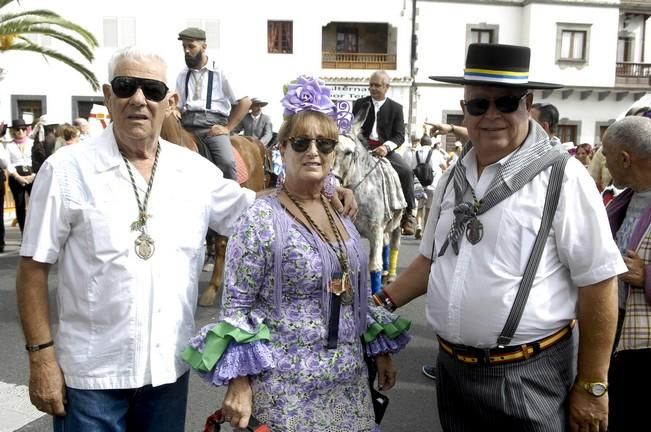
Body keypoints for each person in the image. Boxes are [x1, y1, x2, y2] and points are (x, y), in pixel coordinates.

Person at [16, 47, 357, 431]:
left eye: (153, 90)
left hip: (168, 375)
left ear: (171, 101)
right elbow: (32, 269)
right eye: (127, 87)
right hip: (92, 379)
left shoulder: (195, 171)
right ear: (108, 96)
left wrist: (324, 189)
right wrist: (41, 359)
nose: (139, 100)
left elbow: (260, 209)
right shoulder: (65, 170)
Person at [376, 43, 626, 431]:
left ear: (527, 104)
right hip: (453, 374)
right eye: (479, 105)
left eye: (505, 103)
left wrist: (593, 384)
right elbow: (430, 260)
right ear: (465, 108)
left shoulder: (563, 176)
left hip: (527, 376)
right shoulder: (451, 178)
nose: (491, 115)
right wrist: (379, 304)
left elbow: (599, 281)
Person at [182, 77, 410, 431]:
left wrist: (378, 350)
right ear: (282, 149)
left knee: (403, 173)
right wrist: (239, 383)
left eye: (325, 143)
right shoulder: (260, 217)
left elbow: (354, 294)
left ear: (336, 152)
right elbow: (237, 307)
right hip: (286, 388)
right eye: (301, 142)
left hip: (348, 383)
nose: (313, 152)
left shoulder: (342, 209)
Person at [599, 116, 651, 431]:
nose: (604, 165)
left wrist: (647, 276)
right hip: (617, 333)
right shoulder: (624, 200)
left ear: (624, 158)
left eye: (606, 157)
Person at [175, 27, 251, 181]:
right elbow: (178, 104)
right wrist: (175, 110)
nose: (187, 51)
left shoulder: (220, 71)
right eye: (184, 47)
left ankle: (230, 200)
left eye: (191, 46)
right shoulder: (182, 74)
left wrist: (227, 128)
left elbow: (245, 102)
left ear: (204, 47)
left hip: (211, 127)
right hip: (186, 126)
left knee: (227, 162)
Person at [353, 70, 416, 235]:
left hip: (384, 150)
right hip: (360, 149)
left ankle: (409, 214)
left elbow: (400, 135)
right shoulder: (360, 104)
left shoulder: (396, 108)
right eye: (371, 85)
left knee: (406, 171)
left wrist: (386, 147)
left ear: (387, 87)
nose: (372, 88)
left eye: (377, 85)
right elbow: (350, 126)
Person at [6, 118, 35, 233]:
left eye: (23, 129)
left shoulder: (32, 143)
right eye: (17, 129)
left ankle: (34, 232)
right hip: (16, 177)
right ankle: (24, 233)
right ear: (13, 131)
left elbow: (36, 160)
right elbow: (8, 163)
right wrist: (17, 177)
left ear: (27, 130)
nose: (21, 132)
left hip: (31, 175)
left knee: (35, 204)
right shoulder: (9, 146)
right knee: (20, 205)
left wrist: (33, 175)